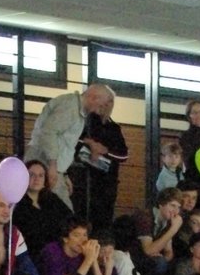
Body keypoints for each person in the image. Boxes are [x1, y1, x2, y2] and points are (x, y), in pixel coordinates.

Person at [27, 83, 116, 209]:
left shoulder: (76, 110)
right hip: (45, 164)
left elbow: (63, 144)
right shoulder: (70, 107)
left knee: (56, 211)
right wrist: (53, 166)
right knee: (63, 212)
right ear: (93, 97)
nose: (99, 110)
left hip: (51, 166)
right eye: (101, 105)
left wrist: (64, 174)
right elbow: (49, 132)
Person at [68, 102, 128, 230]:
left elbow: (123, 155)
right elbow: (69, 142)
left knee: (102, 223)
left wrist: (105, 151)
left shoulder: (114, 128)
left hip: (105, 186)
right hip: (80, 183)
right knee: (77, 221)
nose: (103, 108)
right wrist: (90, 144)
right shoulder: (80, 123)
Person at [13, 158, 73, 265]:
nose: (37, 179)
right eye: (32, 175)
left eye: (41, 175)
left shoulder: (51, 198)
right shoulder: (17, 203)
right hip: (32, 255)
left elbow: (70, 219)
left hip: (58, 252)